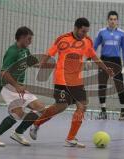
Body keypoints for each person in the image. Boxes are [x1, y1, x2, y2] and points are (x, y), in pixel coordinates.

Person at [29, 17, 114, 148]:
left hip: (77, 80)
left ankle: (70, 138)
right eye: (83, 31)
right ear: (76, 28)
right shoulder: (63, 39)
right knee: (60, 107)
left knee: (82, 106)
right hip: (61, 78)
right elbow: (50, 53)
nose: (85, 34)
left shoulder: (87, 41)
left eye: (86, 32)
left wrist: (106, 69)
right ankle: (36, 124)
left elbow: (94, 57)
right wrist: (42, 63)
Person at [0, 26, 46, 146]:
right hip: (8, 87)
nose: (30, 41)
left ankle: (18, 133)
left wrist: (56, 65)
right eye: (29, 39)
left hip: (19, 87)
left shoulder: (25, 50)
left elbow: (35, 64)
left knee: (40, 108)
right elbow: (4, 72)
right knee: (17, 113)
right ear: (22, 38)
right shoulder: (12, 51)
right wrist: (17, 85)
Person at [91, 11, 124, 120]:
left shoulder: (122, 33)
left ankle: (123, 112)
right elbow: (93, 47)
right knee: (102, 86)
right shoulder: (101, 32)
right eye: (111, 19)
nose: (113, 21)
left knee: (120, 87)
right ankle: (103, 112)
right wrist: (89, 58)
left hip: (116, 61)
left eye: (114, 19)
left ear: (117, 21)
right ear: (107, 20)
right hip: (104, 61)